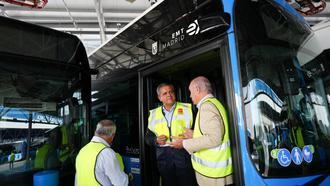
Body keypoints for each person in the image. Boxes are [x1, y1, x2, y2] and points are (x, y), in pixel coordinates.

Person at [171, 76, 233, 186]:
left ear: (197, 89)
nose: (190, 95)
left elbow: (214, 139)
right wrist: (194, 134)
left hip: (213, 175)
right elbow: (214, 133)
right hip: (217, 173)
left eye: (190, 92)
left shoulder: (206, 107)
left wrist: (184, 143)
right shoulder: (214, 103)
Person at [145, 83, 197, 186]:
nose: (169, 95)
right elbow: (147, 138)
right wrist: (156, 140)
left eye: (171, 92)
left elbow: (200, 133)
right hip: (164, 159)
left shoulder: (189, 109)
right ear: (160, 98)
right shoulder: (153, 114)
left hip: (184, 155)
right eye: (165, 93)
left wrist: (191, 137)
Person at [75, 120, 128, 186]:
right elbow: (121, 183)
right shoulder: (106, 153)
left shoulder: (82, 151)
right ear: (112, 136)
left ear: (95, 132)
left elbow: (77, 181)